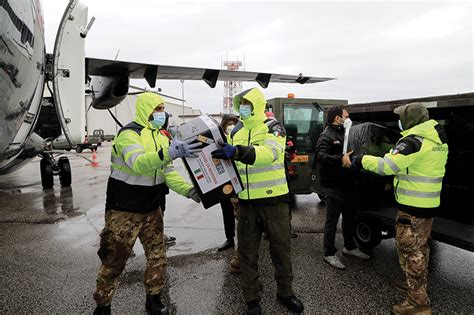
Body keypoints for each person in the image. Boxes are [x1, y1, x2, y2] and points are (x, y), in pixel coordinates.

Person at [93, 92, 202, 315]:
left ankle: (153, 298)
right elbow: (139, 164)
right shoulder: (128, 135)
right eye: (158, 109)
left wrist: (189, 191)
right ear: (146, 111)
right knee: (115, 261)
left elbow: (167, 173)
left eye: (163, 109)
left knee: (157, 256)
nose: (163, 113)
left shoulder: (162, 136)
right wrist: (169, 152)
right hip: (125, 209)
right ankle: (103, 305)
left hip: (152, 208)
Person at [343, 102, 448, 315]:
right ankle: (413, 283)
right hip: (427, 205)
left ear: (410, 119)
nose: (398, 121)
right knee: (420, 249)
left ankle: (418, 304)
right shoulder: (436, 138)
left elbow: (386, 166)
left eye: (401, 117)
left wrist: (358, 160)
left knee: (412, 251)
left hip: (413, 208)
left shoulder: (413, 142)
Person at [212, 88, 304, 314]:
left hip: (274, 202)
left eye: (247, 103)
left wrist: (238, 152)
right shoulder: (237, 130)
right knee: (247, 253)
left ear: (257, 104)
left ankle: (286, 292)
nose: (243, 107)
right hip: (246, 202)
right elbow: (231, 163)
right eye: (240, 103)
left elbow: (268, 154)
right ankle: (252, 298)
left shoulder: (274, 128)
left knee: (281, 250)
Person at [315, 105, 370, 270]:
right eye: (346, 116)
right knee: (332, 220)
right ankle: (329, 253)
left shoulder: (347, 133)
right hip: (333, 185)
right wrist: (341, 158)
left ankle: (349, 247)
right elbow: (321, 157)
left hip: (349, 183)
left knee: (350, 216)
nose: (348, 118)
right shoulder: (326, 136)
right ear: (337, 118)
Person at [217, 114, 240, 252]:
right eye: (229, 124)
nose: (231, 127)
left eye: (234, 124)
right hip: (223, 180)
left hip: (238, 179)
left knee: (242, 213)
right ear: (223, 125)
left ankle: (245, 240)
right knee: (227, 211)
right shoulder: (218, 139)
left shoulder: (241, 136)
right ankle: (229, 239)